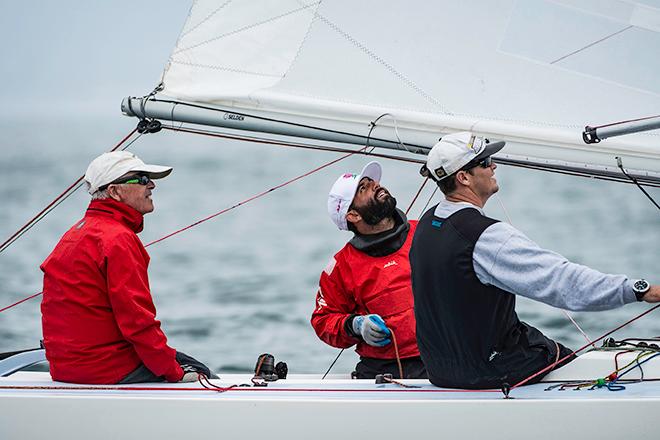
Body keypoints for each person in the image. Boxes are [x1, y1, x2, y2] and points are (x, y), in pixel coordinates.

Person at [409, 131, 660, 389]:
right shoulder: (485, 236)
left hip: (440, 371)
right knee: (569, 361)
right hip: (488, 371)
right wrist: (641, 291)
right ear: (463, 177)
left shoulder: (427, 223)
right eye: (485, 162)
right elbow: (562, 283)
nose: (493, 165)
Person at [41, 151, 215, 384]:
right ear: (114, 191)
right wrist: (173, 373)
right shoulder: (118, 239)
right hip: (104, 369)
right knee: (203, 373)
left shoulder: (75, 233)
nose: (151, 185)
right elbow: (137, 322)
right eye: (141, 179)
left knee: (178, 361)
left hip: (66, 369)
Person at [311, 161, 427, 379]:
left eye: (373, 181)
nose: (376, 185)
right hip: (384, 372)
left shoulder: (427, 231)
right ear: (353, 215)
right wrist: (354, 325)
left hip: (445, 359)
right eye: (363, 188)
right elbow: (322, 321)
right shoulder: (341, 267)